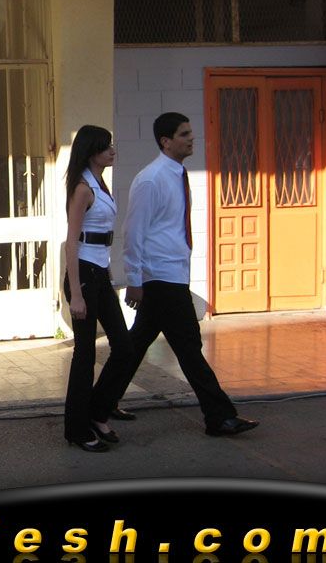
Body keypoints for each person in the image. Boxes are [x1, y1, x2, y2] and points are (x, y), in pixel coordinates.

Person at [110, 112, 259, 437]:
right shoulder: (151, 180)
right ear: (166, 141)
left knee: (137, 342)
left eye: (191, 132)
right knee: (189, 347)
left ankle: (101, 402)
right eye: (183, 134)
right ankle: (219, 416)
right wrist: (134, 280)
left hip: (174, 274)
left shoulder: (177, 174)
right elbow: (133, 231)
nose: (191, 139)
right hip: (161, 278)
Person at [62, 125, 138, 453]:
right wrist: (76, 294)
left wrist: (107, 272)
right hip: (83, 275)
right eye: (106, 147)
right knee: (85, 353)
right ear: (92, 152)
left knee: (124, 347)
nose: (112, 151)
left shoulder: (99, 182)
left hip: (99, 273)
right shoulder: (82, 188)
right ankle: (77, 429)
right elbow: (72, 241)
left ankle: (97, 410)